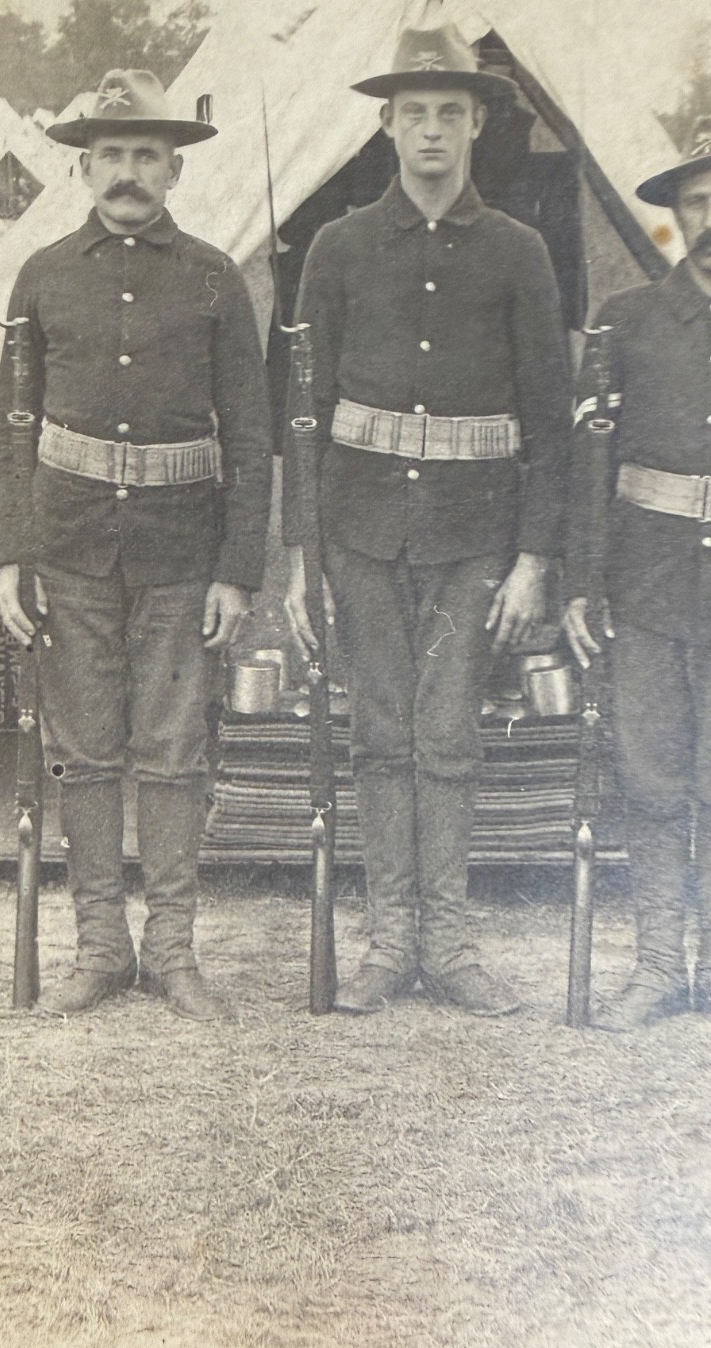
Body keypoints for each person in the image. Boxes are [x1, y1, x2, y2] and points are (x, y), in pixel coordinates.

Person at [283, 24, 571, 1016]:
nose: (434, 131)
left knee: (447, 733)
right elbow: (302, 414)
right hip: (359, 530)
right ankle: (386, 940)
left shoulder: (520, 252)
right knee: (376, 733)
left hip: (473, 537)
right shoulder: (339, 246)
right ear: (388, 125)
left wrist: (536, 555)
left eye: (452, 111)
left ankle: (449, 944)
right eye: (416, 114)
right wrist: (300, 556)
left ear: (479, 123)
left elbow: (550, 420)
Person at [0, 69, 273, 1020]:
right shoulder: (43, 277)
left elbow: (253, 433)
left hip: (181, 555)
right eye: (111, 155)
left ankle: (174, 951)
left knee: (175, 749)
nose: (128, 173)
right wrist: (7, 555)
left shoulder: (213, 279)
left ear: (175, 170)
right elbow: (11, 427)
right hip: (69, 546)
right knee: (86, 749)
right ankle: (101, 947)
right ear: (83, 168)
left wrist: (238, 568)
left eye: (147, 155)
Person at [563, 120, 711, 1029]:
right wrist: (583, 581)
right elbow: (590, 461)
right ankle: (659, 964)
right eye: (702, 201)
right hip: (651, 581)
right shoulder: (627, 319)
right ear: (677, 216)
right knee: (652, 778)